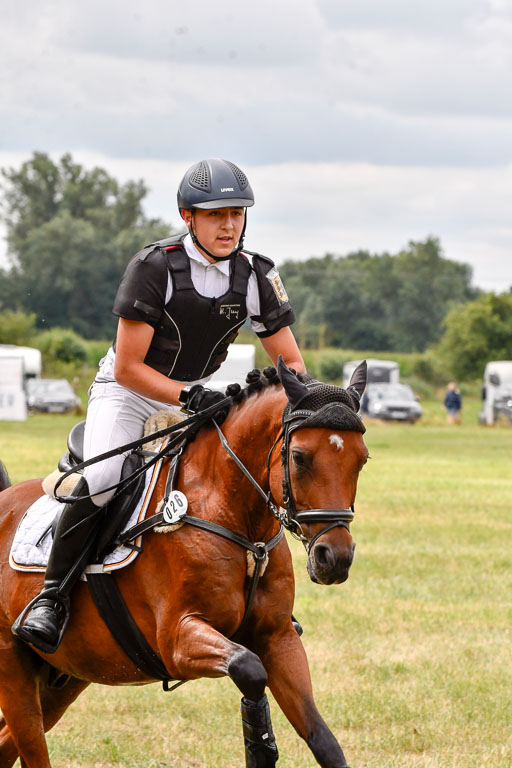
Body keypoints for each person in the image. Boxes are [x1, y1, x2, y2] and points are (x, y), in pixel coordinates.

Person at [14, 158, 305, 651]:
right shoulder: (155, 266)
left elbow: (291, 364)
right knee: (105, 480)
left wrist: (310, 405)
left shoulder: (256, 273)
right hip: (126, 392)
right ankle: (52, 596)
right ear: (187, 216)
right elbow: (129, 367)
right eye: (216, 215)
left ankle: (263, 604)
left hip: (201, 394)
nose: (228, 225)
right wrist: (190, 395)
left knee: (241, 478)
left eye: (236, 213)